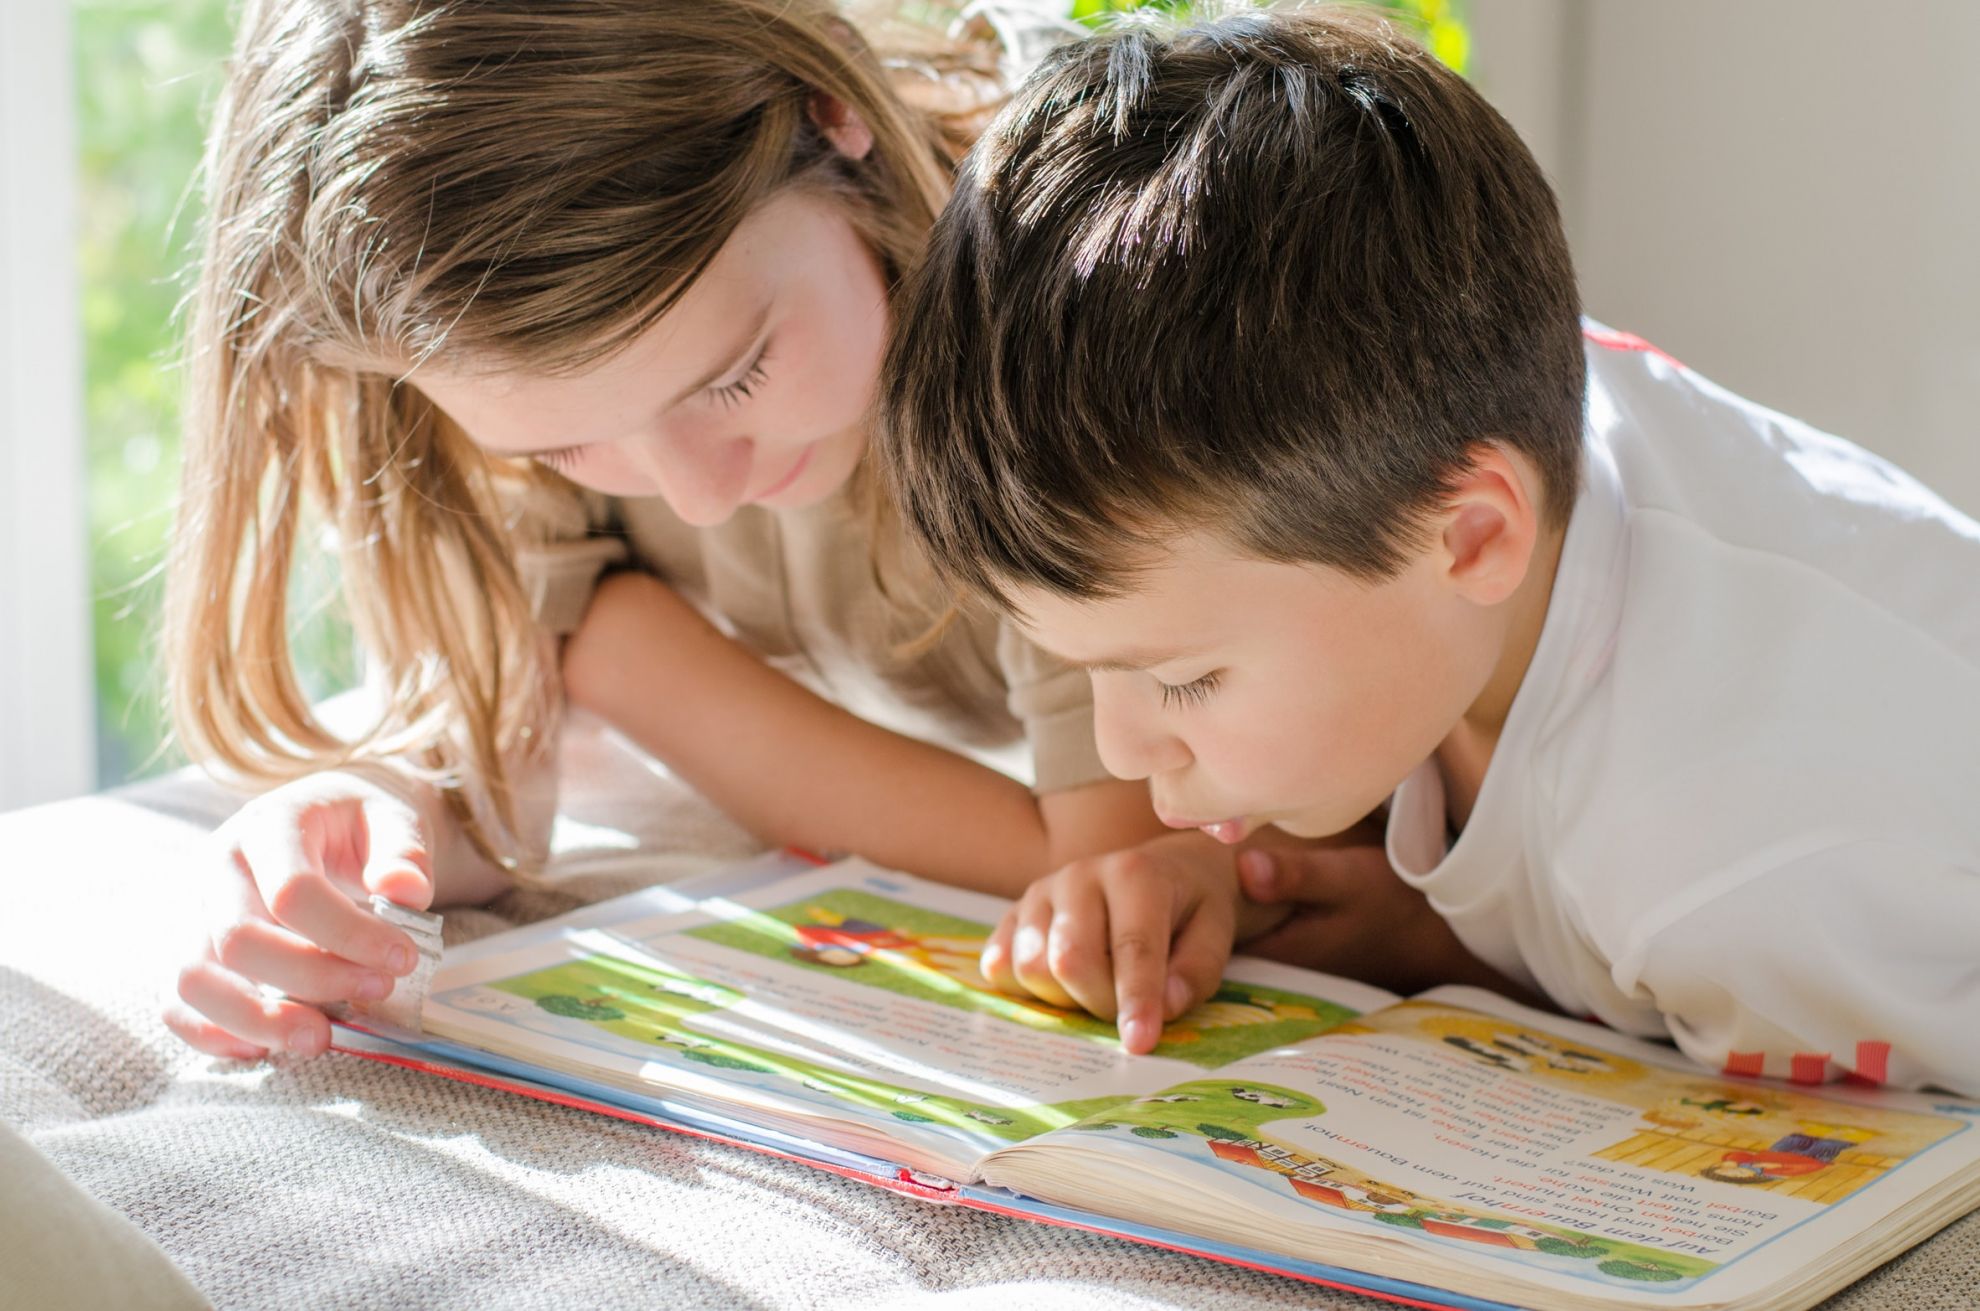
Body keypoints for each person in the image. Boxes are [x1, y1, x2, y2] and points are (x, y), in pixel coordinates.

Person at [878, 4, 1980, 1092]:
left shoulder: (1726, 867)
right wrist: (1409, 926)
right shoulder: (1435, 448)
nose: (1120, 753)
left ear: (1475, 536)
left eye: (1183, 678)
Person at [156, 0, 1268, 1064]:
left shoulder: (1062, 330)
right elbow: (501, 742)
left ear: (833, 108)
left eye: (737, 378)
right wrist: (383, 822)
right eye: (565, 454)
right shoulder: (498, 327)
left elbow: (1105, 851)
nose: (689, 491)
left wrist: (628, 656)